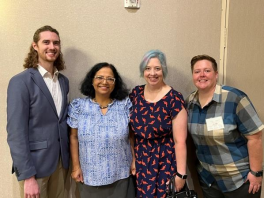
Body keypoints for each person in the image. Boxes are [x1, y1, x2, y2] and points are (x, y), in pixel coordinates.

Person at [185, 54, 264, 198]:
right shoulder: (189, 102)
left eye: (207, 71)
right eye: (197, 71)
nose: (202, 75)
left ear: (216, 74)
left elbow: (255, 137)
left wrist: (256, 173)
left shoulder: (235, 98)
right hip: (209, 181)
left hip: (239, 180)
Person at [6, 25, 69, 198]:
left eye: (56, 43)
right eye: (46, 42)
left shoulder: (63, 82)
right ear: (35, 46)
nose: (52, 47)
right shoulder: (21, 82)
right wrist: (27, 176)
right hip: (35, 167)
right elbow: (15, 133)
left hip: (60, 164)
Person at [67, 62, 135, 198]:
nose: (105, 82)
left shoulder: (124, 105)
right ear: (92, 81)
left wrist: (134, 161)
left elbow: (131, 136)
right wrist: (76, 167)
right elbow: (73, 138)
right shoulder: (78, 106)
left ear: (115, 83)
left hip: (121, 175)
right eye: (100, 77)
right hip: (89, 177)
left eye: (110, 79)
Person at [129, 50, 188, 198]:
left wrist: (181, 174)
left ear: (164, 70)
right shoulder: (136, 94)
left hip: (165, 160)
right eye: (148, 68)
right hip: (142, 159)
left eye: (157, 68)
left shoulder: (174, 98)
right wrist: (134, 159)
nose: (152, 73)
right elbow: (131, 132)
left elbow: (180, 141)